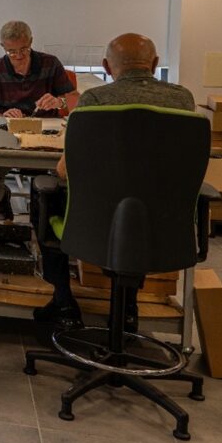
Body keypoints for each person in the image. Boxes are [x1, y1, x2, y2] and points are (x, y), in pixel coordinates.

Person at [33, 33, 196, 330]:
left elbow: (65, 171)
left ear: (107, 67)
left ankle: (63, 301)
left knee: (44, 194)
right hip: (164, 223)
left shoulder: (95, 101)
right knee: (141, 200)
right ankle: (127, 307)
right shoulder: (182, 100)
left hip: (97, 223)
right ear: (155, 64)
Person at [0, 21, 78, 220]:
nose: (19, 56)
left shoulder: (50, 64)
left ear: (31, 42)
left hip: (47, 132)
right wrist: (3, 116)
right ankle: (1, 197)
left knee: (67, 165)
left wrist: (59, 101)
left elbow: (75, 99)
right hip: (10, 133)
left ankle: (49, 205)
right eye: (12, 52)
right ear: (3, 47)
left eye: (24, 49)